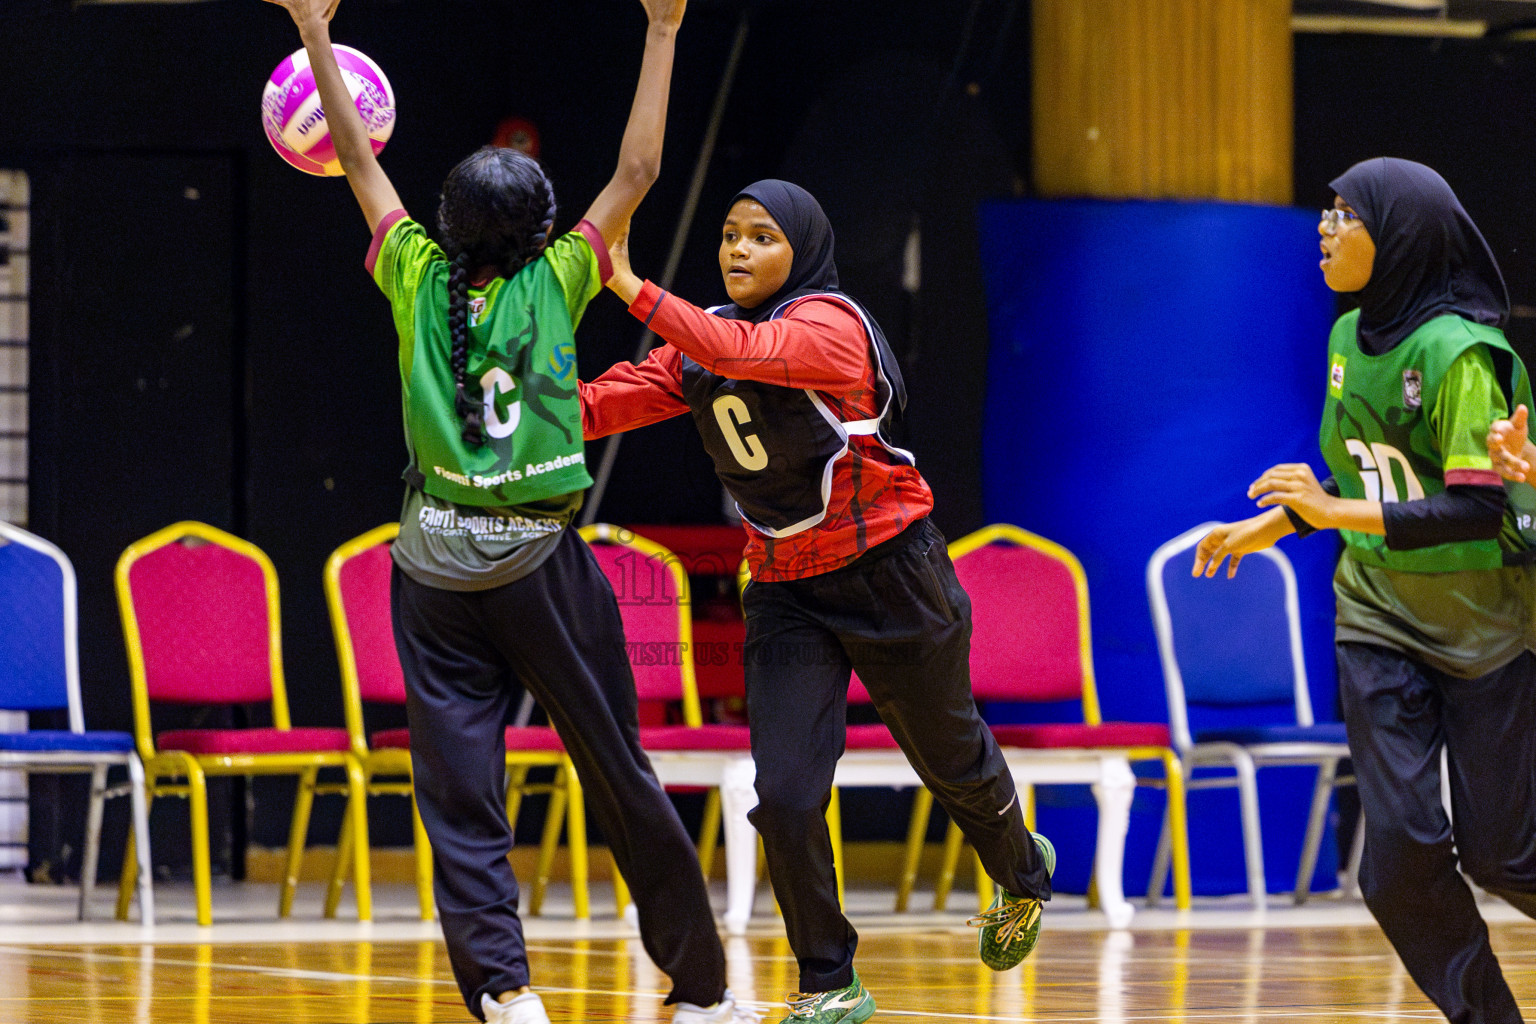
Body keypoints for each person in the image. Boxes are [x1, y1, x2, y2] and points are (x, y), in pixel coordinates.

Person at [262, 2, 756, 1023]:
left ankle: (504, 990)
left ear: (445, 227)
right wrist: (662, 30)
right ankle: (702, 988)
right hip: (538, 564)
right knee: (620, 770)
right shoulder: (560, 276)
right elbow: (639, 174)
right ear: (541, 230)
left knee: (458, 796)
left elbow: (358, 163)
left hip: (431, 569)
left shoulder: (412, 272)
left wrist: (314, 27)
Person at [580, 180, 1055, 1024]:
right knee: (787, 796)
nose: (737, 251)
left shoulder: (829, 326)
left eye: (760, 238)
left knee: (951, 762)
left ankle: (1021, 872)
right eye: (729, 236)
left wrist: (629, 285)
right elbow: (599, 405)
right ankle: (831, 981)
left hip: (891, 573)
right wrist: (491, 412)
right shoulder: (697, 350)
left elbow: (744, 356)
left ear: (800, 249)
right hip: (788, 591)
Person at [1194, 157, 1536, 1024]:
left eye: (1347, 214)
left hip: (1484, 630)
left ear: (1403, 234)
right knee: (1399, 861)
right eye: (1327, 209)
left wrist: (1325, 506)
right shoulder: (1349, 337)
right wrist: (1276, 524)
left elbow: (1469, 507)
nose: (1326, 225)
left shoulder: (1459, 353)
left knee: (1503, 857)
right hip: (1378, 617)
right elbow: (1371, 486)